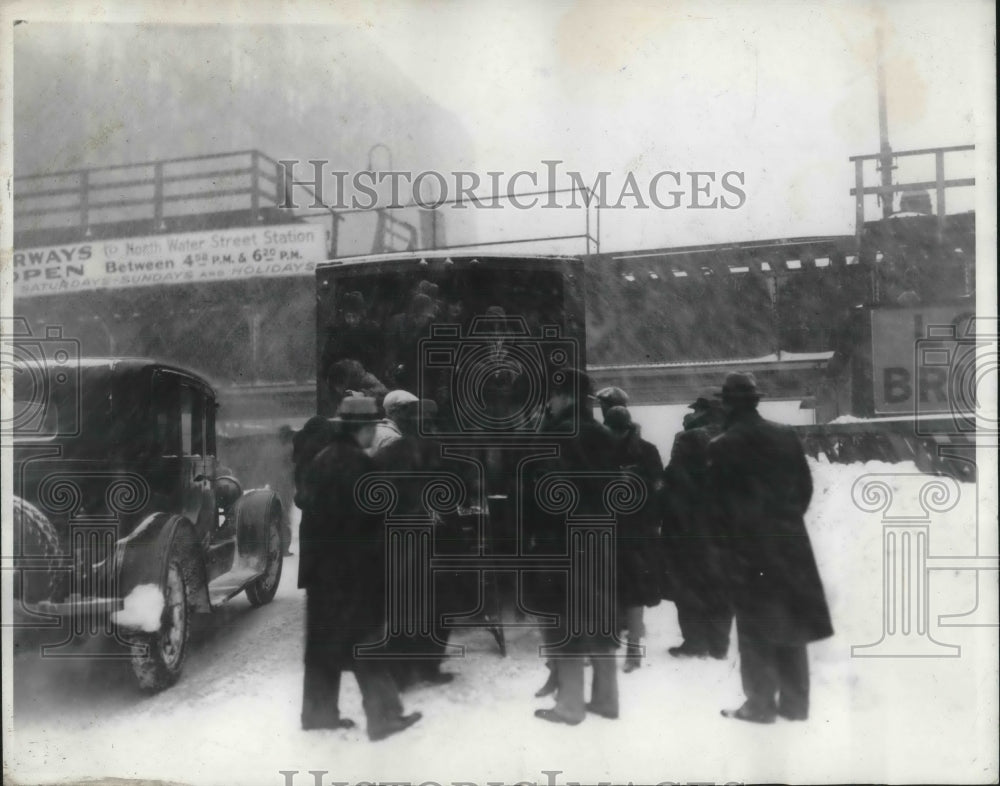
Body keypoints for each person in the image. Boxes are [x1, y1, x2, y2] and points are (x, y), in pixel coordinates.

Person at [707, 372, 833, 724]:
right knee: (792, 623)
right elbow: (805, 488)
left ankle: (760, 704)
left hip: (748, 552)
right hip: (789, 545)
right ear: (756, 401)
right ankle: (795, 705)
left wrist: (725, 549)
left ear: (727, 404)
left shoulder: (722, 446)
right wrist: (785, 522)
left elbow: (717, 509)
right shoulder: (784, 435)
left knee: (755, 626)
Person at [297, 397, 422, 741]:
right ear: (362, 428)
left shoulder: (322, 460)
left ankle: (318, 714)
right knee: (367, 643)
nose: (374, 434)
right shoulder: (359, 467)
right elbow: (370, 523)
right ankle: (384, 718)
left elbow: (309, 510)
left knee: (323, 645)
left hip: (323, 572)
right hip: (351, 573)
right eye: (372, 427)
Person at [526, 369, 622, 725]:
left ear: (564, 396)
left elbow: (543, 492)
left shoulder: (554, 435)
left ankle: (569, 705)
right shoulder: (602, 434)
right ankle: (606, 699)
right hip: (598, 536)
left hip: (560, 540)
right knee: (598, 618)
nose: (549, 402)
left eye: (552, 395)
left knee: (564, 620)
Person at [660, 396, 733, 659]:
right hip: (726, 526)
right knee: (721, 584)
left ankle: (695, 641)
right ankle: (719, 643)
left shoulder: (687, 438)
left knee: (689, 584)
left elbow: (673, 479)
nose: (691, 414)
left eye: (696, 409)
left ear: (704, 411)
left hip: (690, 526)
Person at [604, 405, 663, 673]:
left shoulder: (599, 451)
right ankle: (632, 651)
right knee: (633, 594)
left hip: (618, 531)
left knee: (616, 590)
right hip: (638, 532)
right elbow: (659, 489)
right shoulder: (647, 450)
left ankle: (624, 647)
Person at [369, 389, 419, 455]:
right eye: (410, 412)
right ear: (394, 412)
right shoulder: (393, 439)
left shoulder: (374, 430)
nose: (414, 417)